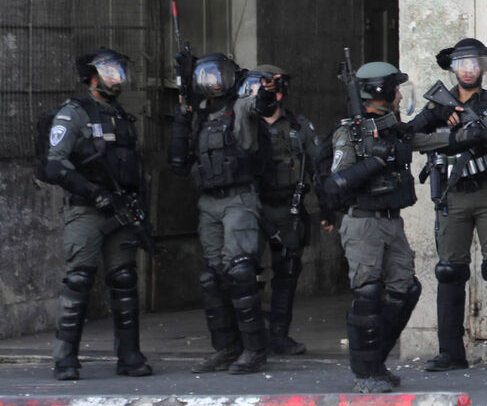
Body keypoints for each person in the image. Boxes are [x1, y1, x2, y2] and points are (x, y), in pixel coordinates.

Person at [323, 61, 454, 393]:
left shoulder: (389, 127)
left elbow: (419, 140)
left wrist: (466, 134)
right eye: (396, 89)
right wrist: (375, 161)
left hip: (391, 221)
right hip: (363, 222)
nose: (399, 96)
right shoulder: (349, 132)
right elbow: (336, 183)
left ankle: (376, 360)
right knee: (367, 293)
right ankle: (364, 373)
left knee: (405, 289)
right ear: (382, 91)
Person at [44, 48, 153, 381]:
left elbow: (134, 169)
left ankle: (130, 356)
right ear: (91, 76)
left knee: (124, 280)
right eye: (108, 71)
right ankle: (65, 360)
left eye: (119, 71)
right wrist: (93, 192)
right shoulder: (74, 113)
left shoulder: (123, 117)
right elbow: (54, 164)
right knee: (78, 281)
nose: (116, 78)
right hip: (87, 210)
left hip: (120, 211)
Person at [421, 39, 487, 373]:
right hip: (452, 193)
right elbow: (412, 138)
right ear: (452, 67)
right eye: (462, 63)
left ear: (484, 67)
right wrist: (453, 137)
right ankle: (450, 352)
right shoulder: (438, 105)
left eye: (475, 63)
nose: (468, 69)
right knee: (450, 271)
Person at [169, 53, 276, 375]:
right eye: (206, 77)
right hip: (208, 202)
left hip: (237, 199)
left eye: (218, 76)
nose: (213, 83)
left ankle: (255, 349)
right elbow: (179, 160)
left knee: (240, 272)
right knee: (212, 277)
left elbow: (261, 107)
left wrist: (266, 93)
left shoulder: (240, 107)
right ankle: (226, 348)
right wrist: (183, 107)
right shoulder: (200, 116)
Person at [238, 65, 326, 356]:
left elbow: (318, 168)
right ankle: (249, 338)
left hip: (287, 208)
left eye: (272, 87)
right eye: (261, 87)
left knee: (287, 273)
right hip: (252, 209)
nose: (267, 93)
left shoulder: (298, 127)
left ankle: (279, 335)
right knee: (244, 272)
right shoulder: (243, 124)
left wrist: (328, 208)